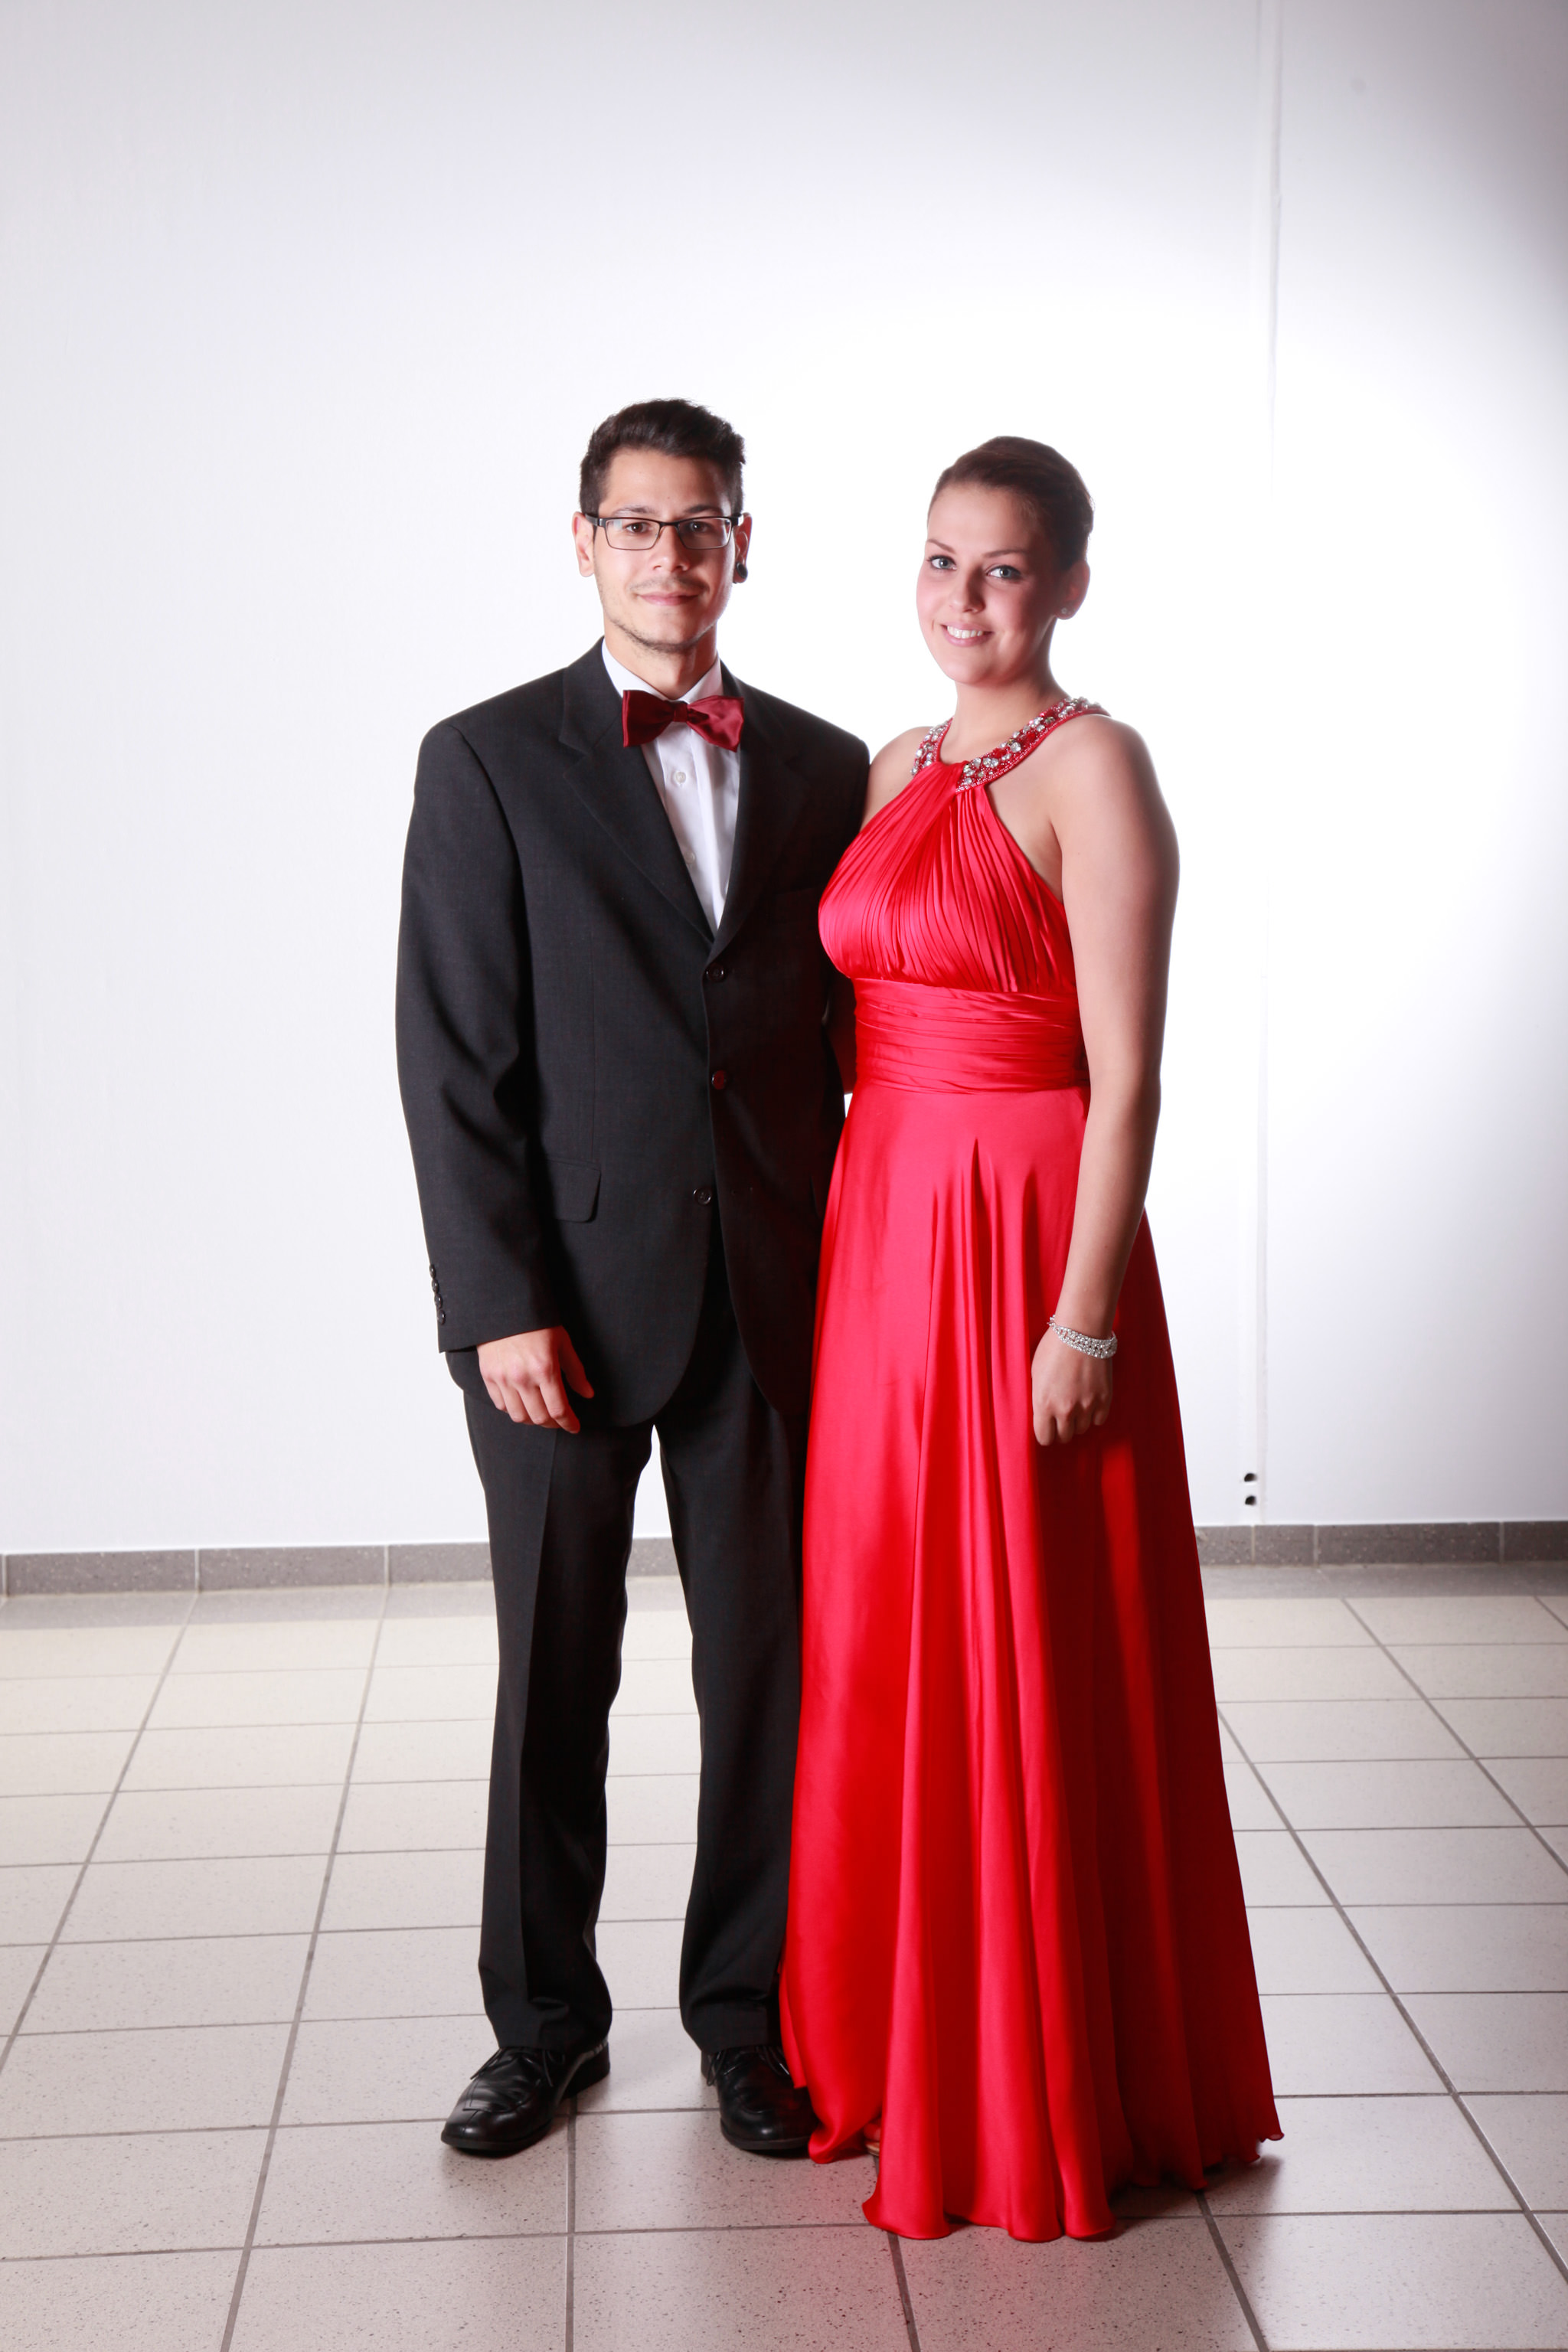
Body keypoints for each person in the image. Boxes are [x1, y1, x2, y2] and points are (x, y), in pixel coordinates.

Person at [779, 436, 1280, 2239]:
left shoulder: (1096, 766)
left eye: (1001, 568)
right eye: (939, 560)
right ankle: (895, 2042)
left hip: (1024, 1234)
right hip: (886, 1229)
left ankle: (1041, 2073)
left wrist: (1084, 1316)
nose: (963, 598)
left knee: (1032, 1639)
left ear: (1067, 583)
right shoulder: (893, 764)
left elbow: (1127, 1076)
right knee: (887, 1627)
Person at [396, 398, 866, 2161]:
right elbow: (453, 1053)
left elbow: (851, 1038)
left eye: (701, 524)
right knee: (553, 1676)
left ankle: (749, 2025)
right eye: (638, 524)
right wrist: (494, 1301)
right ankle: (544, 2030)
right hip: (564, 1310)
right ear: (582, 540)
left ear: (743, 542)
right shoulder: (485, 759)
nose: (671, 555)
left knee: (771, 1680)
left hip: (776, 1298)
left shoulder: (825, 764)